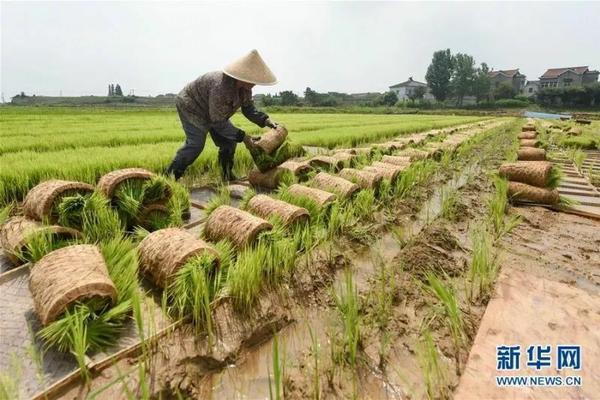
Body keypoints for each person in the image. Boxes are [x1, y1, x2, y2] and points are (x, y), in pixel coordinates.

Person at [166, 49, 279, 181]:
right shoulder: (220, 87)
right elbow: (218, 122)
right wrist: (244, 137)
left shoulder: (246, 89)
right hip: (192, 106)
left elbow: (248, 109)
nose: (254, 83)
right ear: (242, 77)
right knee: (196, 144)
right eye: (252, 80)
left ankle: (227, 176)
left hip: (214, 113)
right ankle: (170, 177)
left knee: (229, 141)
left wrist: (265, 120)